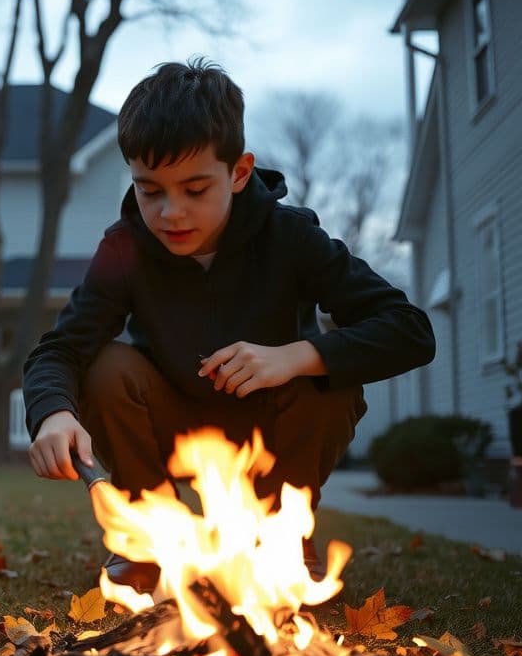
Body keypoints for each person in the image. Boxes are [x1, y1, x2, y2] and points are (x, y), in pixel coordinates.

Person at [23, 59, 435, 591]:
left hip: (273, 424)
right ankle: (150, 544)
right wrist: (53, 414)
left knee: (329, 381)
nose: (172, 212)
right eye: (151, 190)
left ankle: (281, 541)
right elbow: (57, 350)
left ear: (239, 172)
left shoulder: (291, 238)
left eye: (194, 189)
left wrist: (294, 356)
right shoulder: (124, 248)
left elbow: (410, 330)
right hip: (171, 422)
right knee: (104, 365)